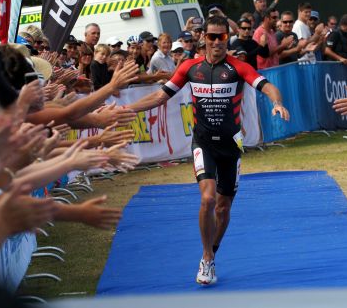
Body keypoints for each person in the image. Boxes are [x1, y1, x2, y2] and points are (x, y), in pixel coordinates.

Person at [124, 16, 290, 285]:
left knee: (223, 209)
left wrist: (277, 102)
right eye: (211, 37)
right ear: (203, 39)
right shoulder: (190, 68)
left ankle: (213, 251)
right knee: (207, 199)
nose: (216, 42)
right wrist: (125, 109)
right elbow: (159, 96)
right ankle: (206, 258)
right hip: (203, 143)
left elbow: (266, 85)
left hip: (230, 146)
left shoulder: (238, 67)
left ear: (227, 38)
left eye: (221, 37)